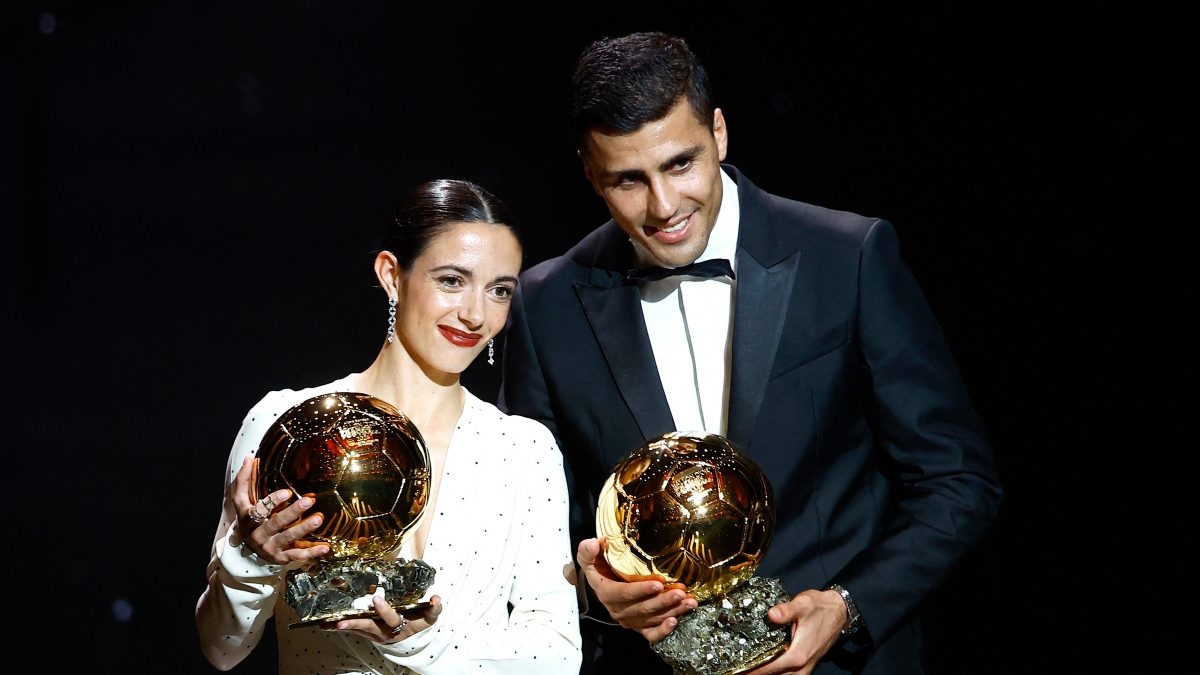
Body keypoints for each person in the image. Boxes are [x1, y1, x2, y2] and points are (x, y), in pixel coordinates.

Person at [499, 32, 1002, 675]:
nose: (663, 206)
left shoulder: (847, 257)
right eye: (628, 180)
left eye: (681, 164)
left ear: (719, 132)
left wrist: (848, 605)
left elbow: (957, 479)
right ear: (590, 173)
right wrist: (596, 595)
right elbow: (536, 529)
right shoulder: (546, 305)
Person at [196, 179, 582, 674]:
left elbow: (558, 655)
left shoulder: (523, 449)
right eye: (451, 281)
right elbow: (222, 649)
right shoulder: (286, 423)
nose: (475, 314)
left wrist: (418, 643)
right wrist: (252, 560)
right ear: (391, 275)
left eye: (499, 290)